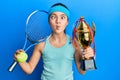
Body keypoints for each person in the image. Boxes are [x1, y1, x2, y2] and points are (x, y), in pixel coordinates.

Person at [14, 3, 94, 80]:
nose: (58, 21)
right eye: (53, 17)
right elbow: (29, 69)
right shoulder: (41, 43)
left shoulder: (74, 43)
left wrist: (88, 59)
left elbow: (82, 72)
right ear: (49, 21)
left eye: (62, 17)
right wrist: (20, 60)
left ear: (67, 22)